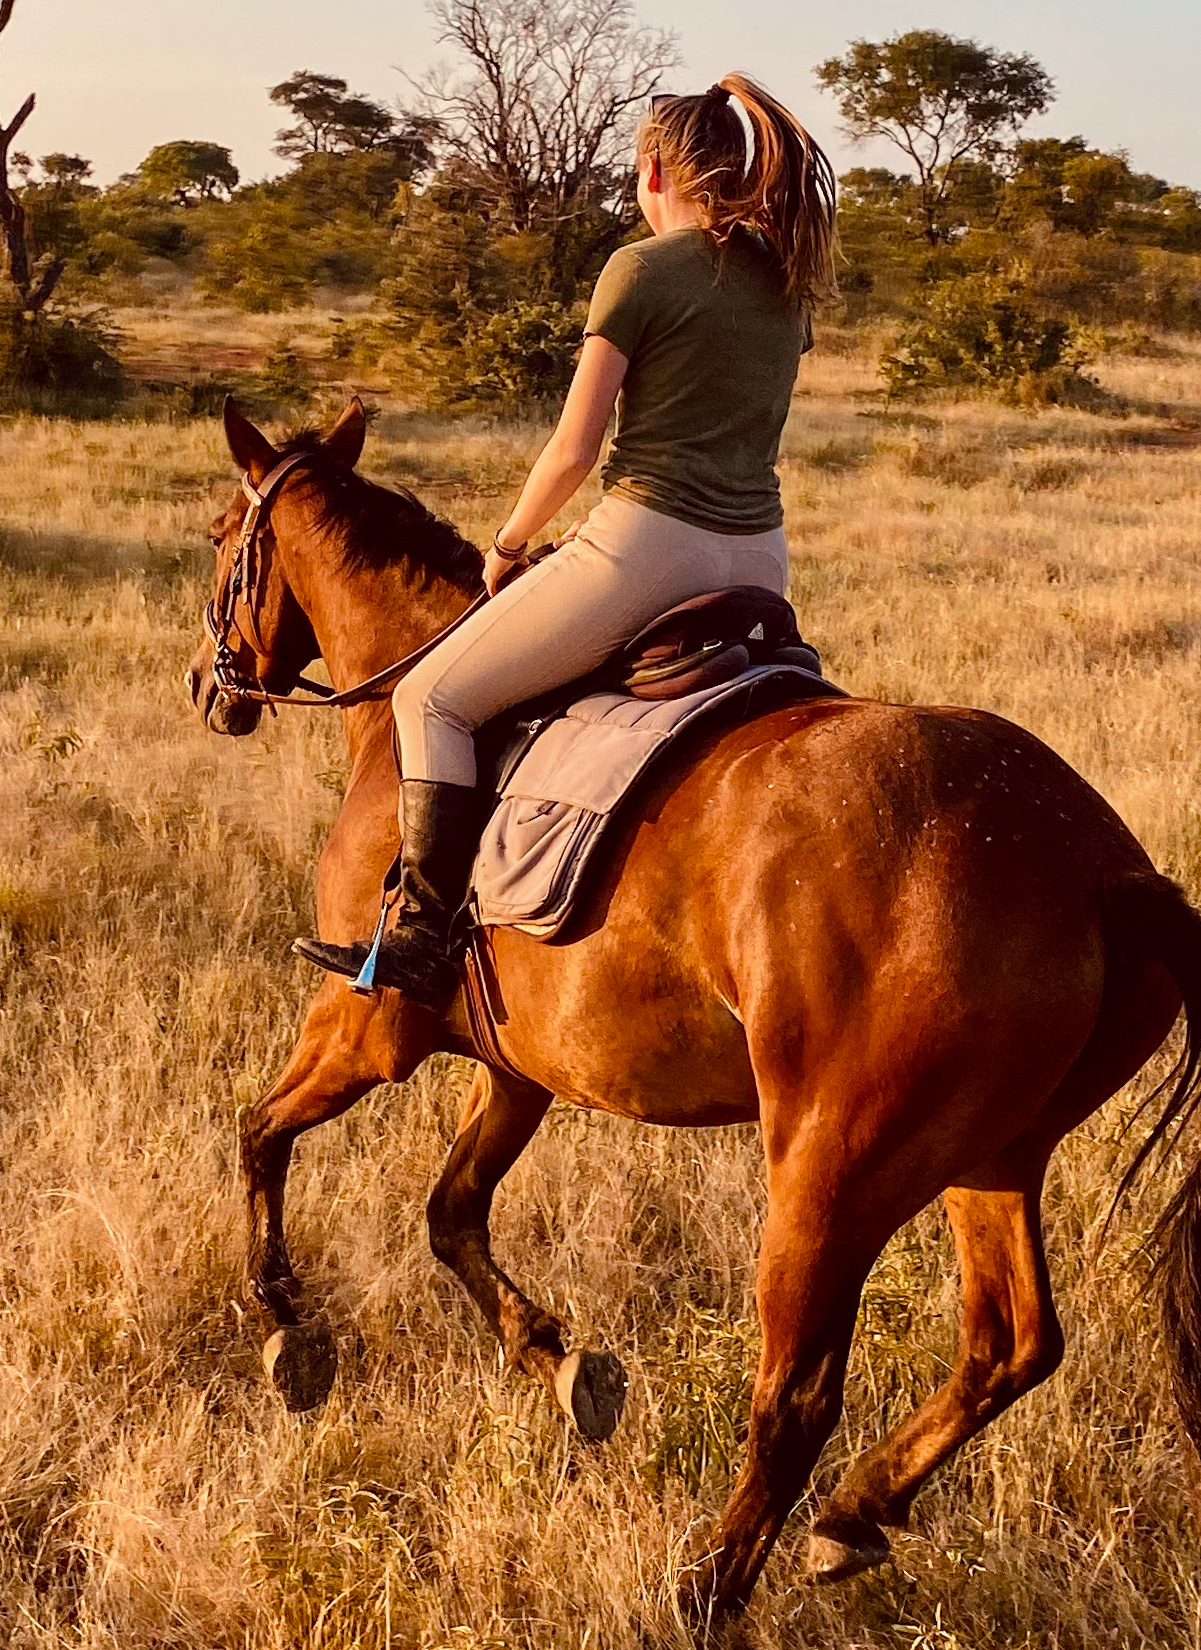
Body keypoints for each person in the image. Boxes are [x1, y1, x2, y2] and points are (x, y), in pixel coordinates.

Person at [299, 72, 839, 1005]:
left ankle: (424, 940)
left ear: (654, 167)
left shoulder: (640, 270)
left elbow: (575, 449)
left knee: (430, 695)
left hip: (647, 547)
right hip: (760, 557)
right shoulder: (784, 285)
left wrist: (506, 545)